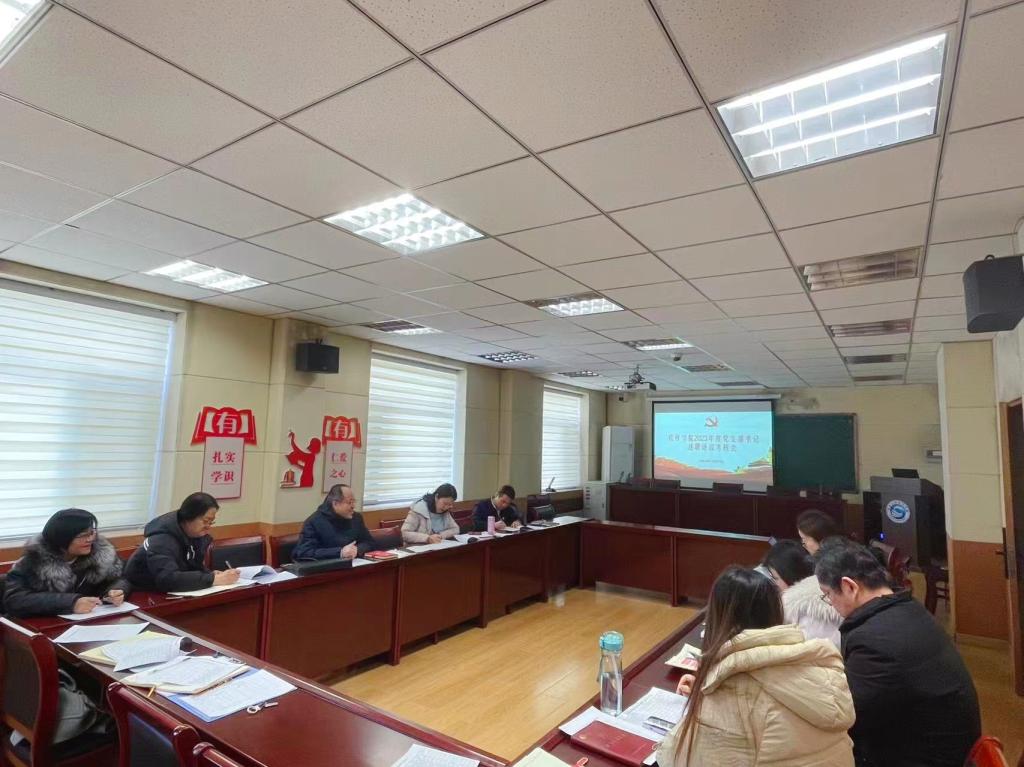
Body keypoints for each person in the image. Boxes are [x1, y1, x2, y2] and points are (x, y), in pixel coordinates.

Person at [657, 565, 855, 767]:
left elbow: (678, 759)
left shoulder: (731, 692)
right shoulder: (813, 659)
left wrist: (706, 701)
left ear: (718, 618)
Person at [815, 538, 981, 767]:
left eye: (827, 595)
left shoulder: (874, 641)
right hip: (947, 750)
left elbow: (847, 718)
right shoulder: (906, 608)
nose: (830, 603)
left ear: (850, 587)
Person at [4, 508, 130, 618]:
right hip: (42, 626)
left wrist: (115, 591)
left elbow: (120, 579)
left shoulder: (100, 556)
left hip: (89, 621)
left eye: (92, 533)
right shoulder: (31, 562)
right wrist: (71, 603)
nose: (90, 539)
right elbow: (15, 600)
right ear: (61, 538)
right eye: (83, 535)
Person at [124, 492, 239, 592]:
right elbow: (167, 579)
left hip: (167, 593)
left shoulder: (195, 536)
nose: (208, 527)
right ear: (188, 516)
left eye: (211, 522)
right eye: (205, 521)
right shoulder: (161, 540)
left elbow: (192, 567)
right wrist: (213, 579)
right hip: (141, 595)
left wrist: (210, 574)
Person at [762, 539, 842, 646]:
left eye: (775, 578)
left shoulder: (799, 611)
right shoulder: (834, 594)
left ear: (789, 575)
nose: (773, 584)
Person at [294, 484, 383, 560]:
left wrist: (357, 549)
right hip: (326, 570)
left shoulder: (356, 518)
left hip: (354, 566)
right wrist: (340, 552)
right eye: (349, 502)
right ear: (335, 503)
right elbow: (304, 552)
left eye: (354, 502)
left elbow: (370, 543)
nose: (353, 506)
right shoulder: (314, 522)